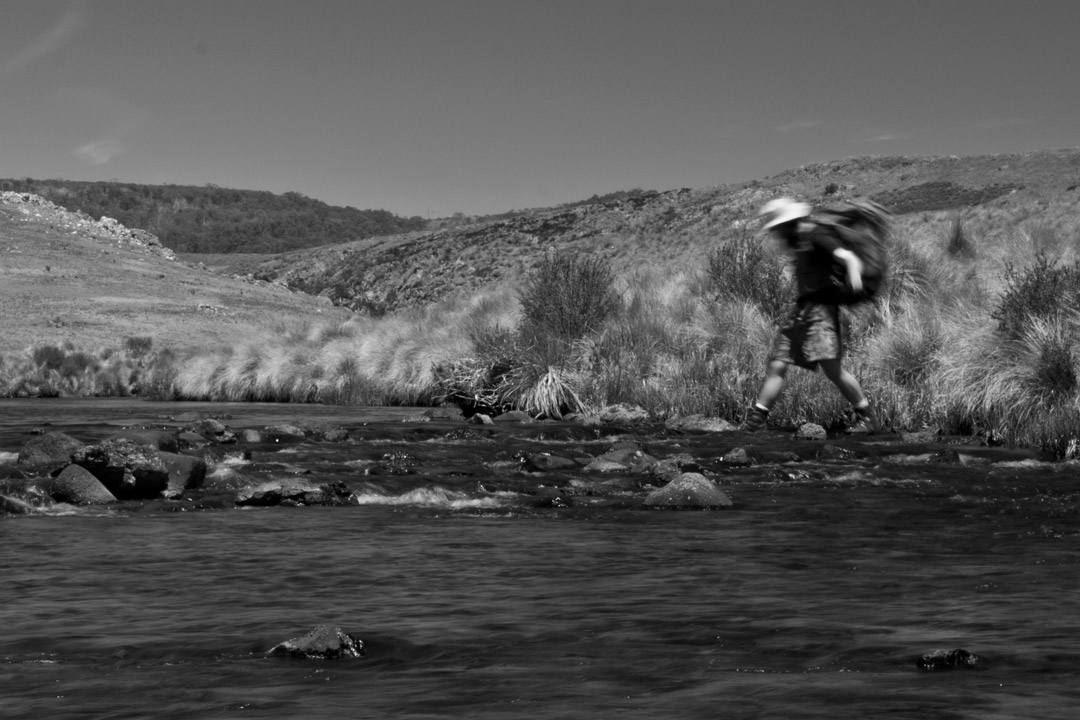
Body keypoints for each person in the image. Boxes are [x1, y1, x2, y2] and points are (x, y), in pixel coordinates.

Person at [740, 197, 880, 433]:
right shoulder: (801, 240)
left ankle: (868, 418)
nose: (776, 233)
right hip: (802, 311)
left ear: (789, 223)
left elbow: (847, 256)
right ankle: (757, 419)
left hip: (822, 311)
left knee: (832, 369)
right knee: (778, 362)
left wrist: (855, 281)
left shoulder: (815, 234)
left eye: (778, 228)